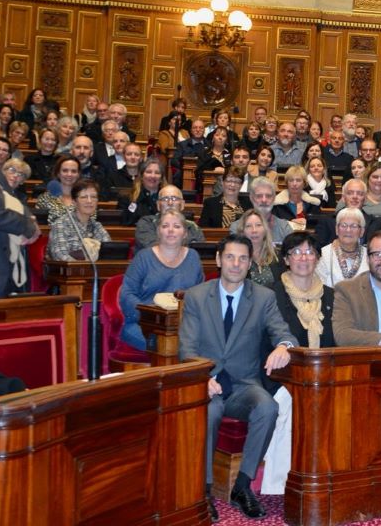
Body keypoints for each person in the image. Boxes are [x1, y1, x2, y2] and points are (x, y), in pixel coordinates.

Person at [179, 235, 294, 521]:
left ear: (250, 262)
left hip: (244, 385)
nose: (236, 264)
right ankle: (203, 490)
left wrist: (283, 347)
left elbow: (283, 332)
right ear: (218, 260)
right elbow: (187, 349)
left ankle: (242, 486)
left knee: (268, 407)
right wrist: (202, 376)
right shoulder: (196, 296)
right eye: (230, 257)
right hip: (208, 383)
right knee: (210, 411)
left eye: (243, 258)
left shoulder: (263, 297)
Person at [259, 232, 336, 496]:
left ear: (317, 258)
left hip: (322, 377)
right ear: (286, 259)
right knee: (295, 403)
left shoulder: (331, 297)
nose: (303, 258)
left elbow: (335, 344)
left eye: (309, 252)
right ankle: (281, 484)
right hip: (279, 377)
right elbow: (263, 343)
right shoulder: (269, 295)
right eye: (296, 252)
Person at [121, 210, 204, 350]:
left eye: (177, 226)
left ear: (185, 233)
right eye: (165, 226)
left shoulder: (193, 257)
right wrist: (152, 317)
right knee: (168, 346)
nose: (171, 230)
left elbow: (200, 295)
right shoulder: (143, 257)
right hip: (144, 325)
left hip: (182, 325)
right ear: (158, 231)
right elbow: (127, 294)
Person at [46, 180, 111, 261]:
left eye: (93, 197)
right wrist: (85, 265)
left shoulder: (97, 226)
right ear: (74, 202)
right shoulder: (61, 224)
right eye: (84, 197)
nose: (89, 201)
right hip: (70, 272)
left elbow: (109, 252)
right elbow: (60, 256)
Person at [134, 185, 204, 249]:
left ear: (182, 204)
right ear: (158, 205)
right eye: (165, 199)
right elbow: (154, 247)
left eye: (174, 199)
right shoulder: (146, 223)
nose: (170, 203)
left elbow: (198, 251)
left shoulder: (192, 227)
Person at [318, 208, 368, 286]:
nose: (348, 230)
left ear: (362, 231)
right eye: (343, 225)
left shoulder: (369, 256)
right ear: (337, 229)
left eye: (354, 226)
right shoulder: (323, 254)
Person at [118, 157, 164, 226]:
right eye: (148, 172)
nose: (153, 176)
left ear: (161, 178)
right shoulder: (127, 197)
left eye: (157, 173)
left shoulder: (167, 198)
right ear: (142, 176)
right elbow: (126, 223)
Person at [34, 154, 80, 224]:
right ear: (58, 173)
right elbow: (38, 224)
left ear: (78, 174)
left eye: (73, 171)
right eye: (65, 170)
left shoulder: (85, 198)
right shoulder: (45, 198)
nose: (69, 174)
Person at [240, 210, 280, 287]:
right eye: (248, 226)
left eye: (258, 225)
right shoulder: (237, 258)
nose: (254, 230)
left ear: (265, 230)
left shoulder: (278, 255)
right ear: (242, 231)